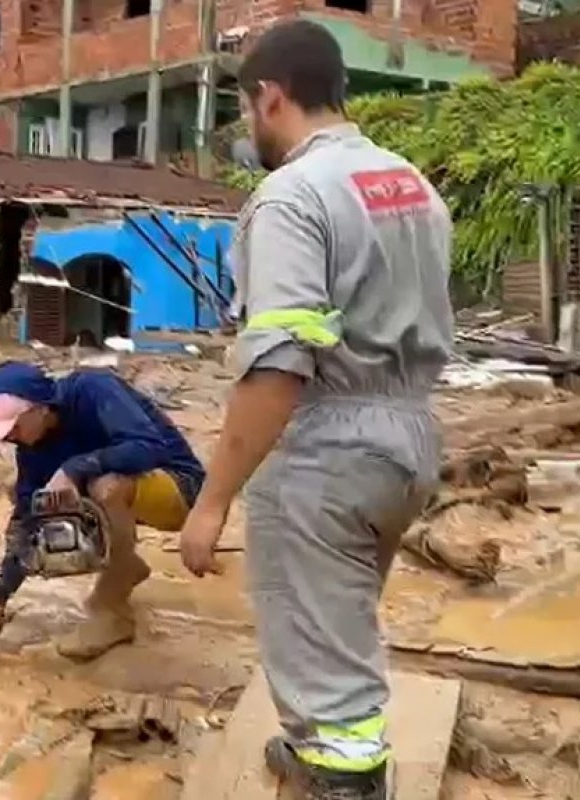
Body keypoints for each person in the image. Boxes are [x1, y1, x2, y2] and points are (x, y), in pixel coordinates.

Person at [176, 20, 451, 800]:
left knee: (319, 649)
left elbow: (278, 367)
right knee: (342, 627)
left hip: (328, 449)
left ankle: (344, 777)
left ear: (269, 97)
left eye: (244, 110)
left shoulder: (291, 196)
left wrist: (213, 500)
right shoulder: (411, 185)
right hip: (410, 434)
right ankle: (328, 748)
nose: (245, 129)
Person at [0, 361, 205, 661]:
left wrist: (74, 468)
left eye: (14, 428)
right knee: (32, 495)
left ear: (40, 408)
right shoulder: (32, 448)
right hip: (126, 499)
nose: (9, 438)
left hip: (181, 490)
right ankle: (126, 565)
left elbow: (147, 447)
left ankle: (111, 611)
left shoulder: (93, 389)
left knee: (107, 485)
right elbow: (27, 519)